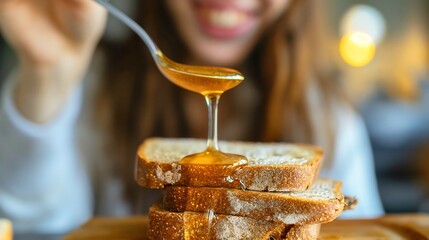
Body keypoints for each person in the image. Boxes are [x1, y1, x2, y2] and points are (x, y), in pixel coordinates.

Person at [0, 0, 384, 235]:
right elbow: (40, 229)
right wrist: (48, 73)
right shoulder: (94, 85)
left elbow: (365, 232)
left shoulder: (331, 120)